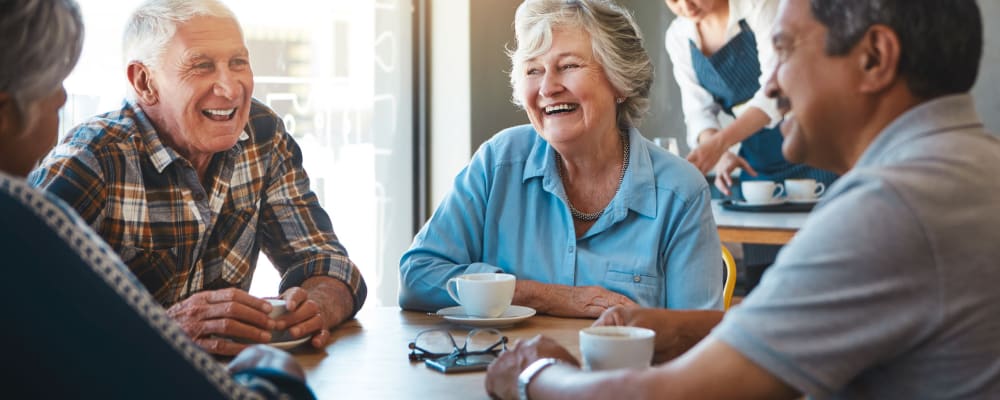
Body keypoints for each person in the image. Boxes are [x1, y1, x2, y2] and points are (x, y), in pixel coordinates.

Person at [486, 0, 1000, 398]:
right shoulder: (970, 168)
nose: (769, 83)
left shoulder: (885, 209)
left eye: (784, 49)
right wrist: (682, 327)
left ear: (874, 58)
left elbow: (670, 394)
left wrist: (534, 373)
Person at [1, 0, 313, 398]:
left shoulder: (262, 131)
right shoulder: (34, 206)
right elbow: (49, 347)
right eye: (52, 83)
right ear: (144, 82)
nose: (63, 100)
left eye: (238, 62)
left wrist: (306, 311)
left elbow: (327, 262)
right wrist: (272, 372)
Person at [399, 0, 723, 318]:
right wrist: (549, 296)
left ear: (619, 80)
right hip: (506, 369)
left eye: (568, 66)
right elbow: (418, 277)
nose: (547, 87)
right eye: (533, 70)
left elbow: (699, 338)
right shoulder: (498, 163)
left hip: (624, 371)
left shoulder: (680, 192)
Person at [665, 0, 840, 292]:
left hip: (810, 143)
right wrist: (718, 155)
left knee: (823, 264)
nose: (685, 4)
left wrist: (721, 143)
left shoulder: (757, 6)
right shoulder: (678, 35)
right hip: (757, 160)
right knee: (766, 281)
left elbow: (775, 93)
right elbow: (698, 113)